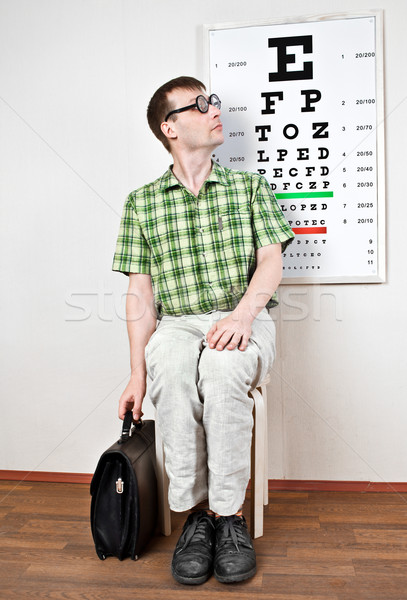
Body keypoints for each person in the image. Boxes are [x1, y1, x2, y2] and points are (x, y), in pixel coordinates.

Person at [112, 76, 294, 585]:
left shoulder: (249, 187)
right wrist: (135, 375)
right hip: (177, 322)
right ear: (169, 128)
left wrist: (241, 316)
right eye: (199, 105)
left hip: (244, 315)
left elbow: (271, 261)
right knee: (166, 364)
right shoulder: (141, 203)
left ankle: (229, 515)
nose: (214, 109)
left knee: (221, 366)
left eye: (212, 100)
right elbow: (141, 295)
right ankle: (196, 516)